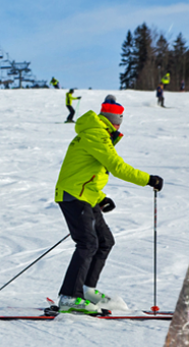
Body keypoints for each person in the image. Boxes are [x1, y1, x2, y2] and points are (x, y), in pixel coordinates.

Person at [50, 96, 165, 314]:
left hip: (85, 194)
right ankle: (69, 297)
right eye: (120, 120)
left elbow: (87, 171)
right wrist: (149, 179)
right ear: (115, 121)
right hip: (74, 195)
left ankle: (86, 290)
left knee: (105, 241)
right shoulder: (97, 134)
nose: (120, 125)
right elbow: (117, 167)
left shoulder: (98, 133)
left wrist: (100, 197)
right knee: (87, 243)